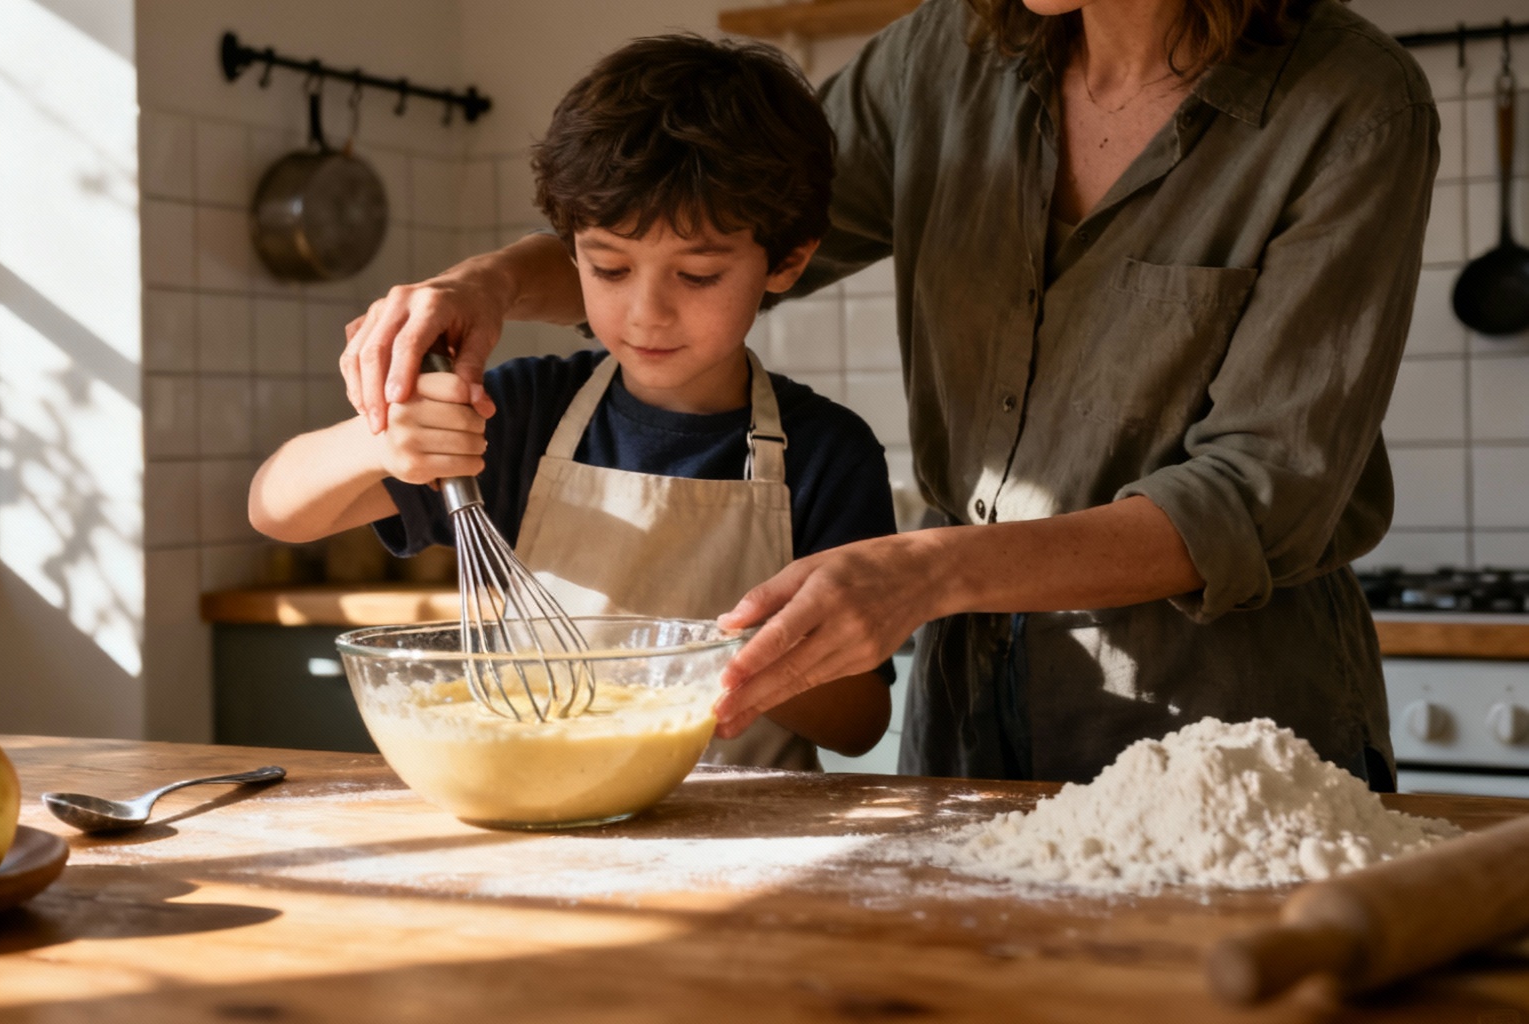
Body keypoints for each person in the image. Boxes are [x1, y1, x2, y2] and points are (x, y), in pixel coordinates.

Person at [335, 0, 1438, 789]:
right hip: (966, 736)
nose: (641, 302)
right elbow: (711, 228)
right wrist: (481, 284)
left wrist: (924, 568)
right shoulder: (940, 59)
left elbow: (1258, 493)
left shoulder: (1349, 106)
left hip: (1224, 733)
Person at [251, 35, 897, 769]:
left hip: (747, 838)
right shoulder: (527, 414)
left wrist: (721, 654)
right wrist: (376, 443)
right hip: (542, 810)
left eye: (698, 276)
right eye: (610, 268)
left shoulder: (828, 454)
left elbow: (860, 723)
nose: (646, 313)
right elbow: (275, 507)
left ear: (786, 261)